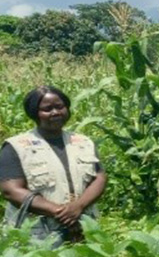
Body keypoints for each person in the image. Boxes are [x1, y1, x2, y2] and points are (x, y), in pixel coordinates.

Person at [0, 86, 107, 246]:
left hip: (83, 226)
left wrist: (78, 206)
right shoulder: (17, 146)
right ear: (34, 113)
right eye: (47, 109)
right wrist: (63, 213)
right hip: (36, 233)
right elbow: (11, 191)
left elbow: (99, 177)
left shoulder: (83, 142)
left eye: (60, 106)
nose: (55, 112)